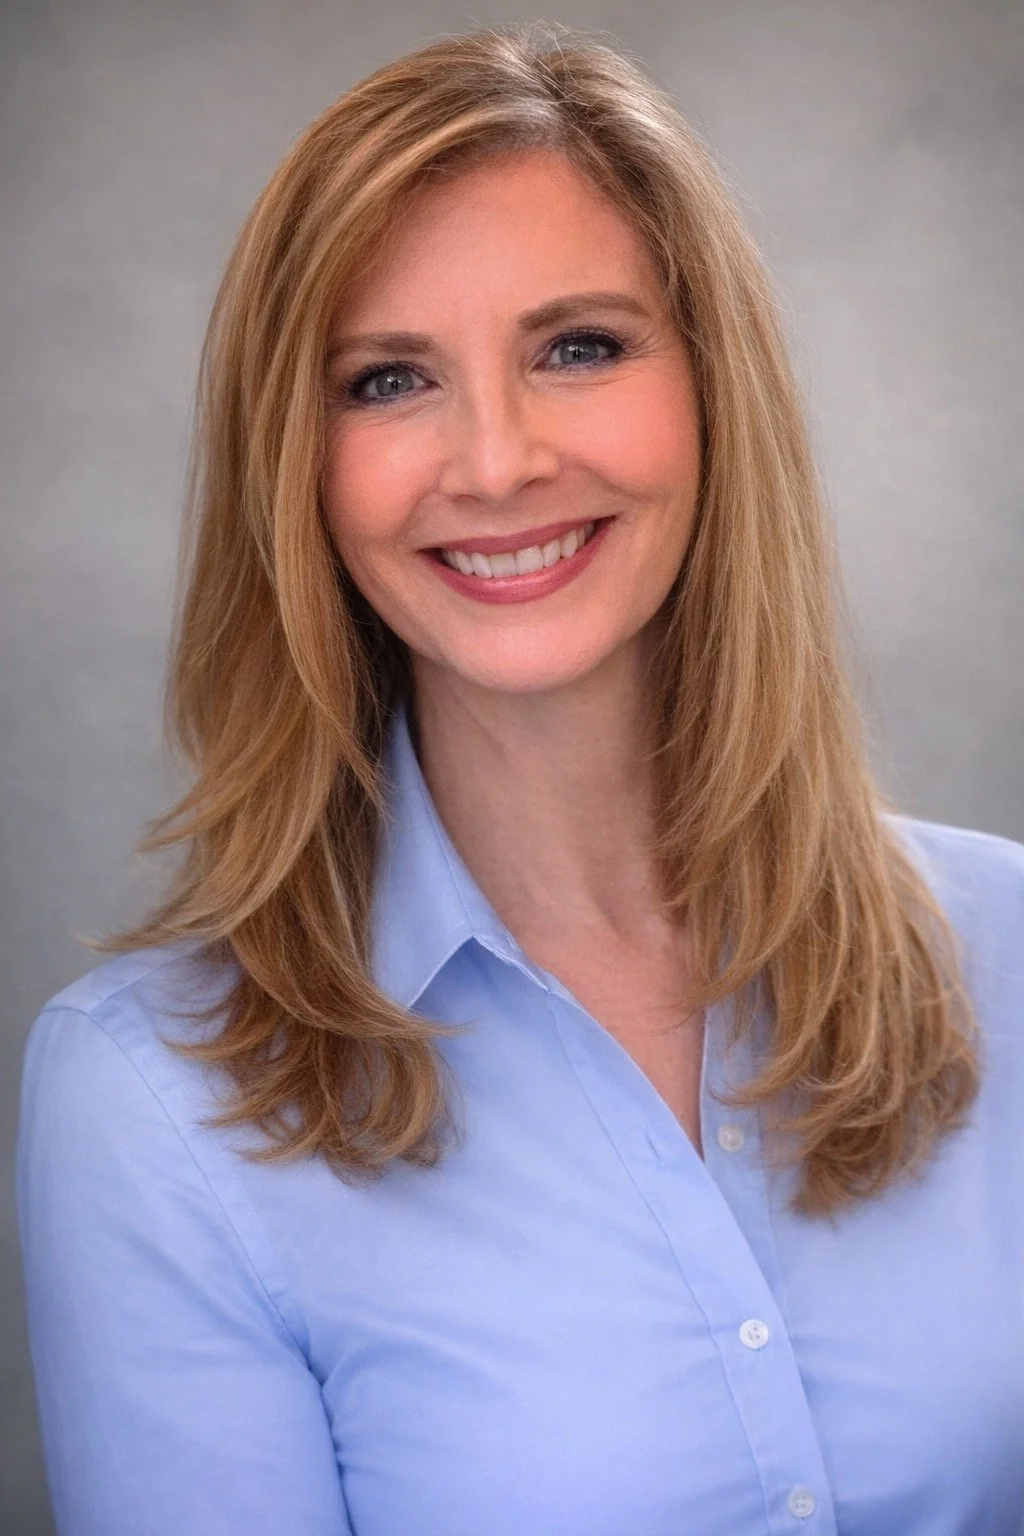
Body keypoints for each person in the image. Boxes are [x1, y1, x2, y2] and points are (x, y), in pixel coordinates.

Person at [15, 21, 1024, 1536]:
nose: (492, 463)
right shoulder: (154, 1105)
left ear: (712, 392)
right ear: (297, 467)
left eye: (579, 348)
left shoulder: (1010, 948)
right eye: (388, 380)